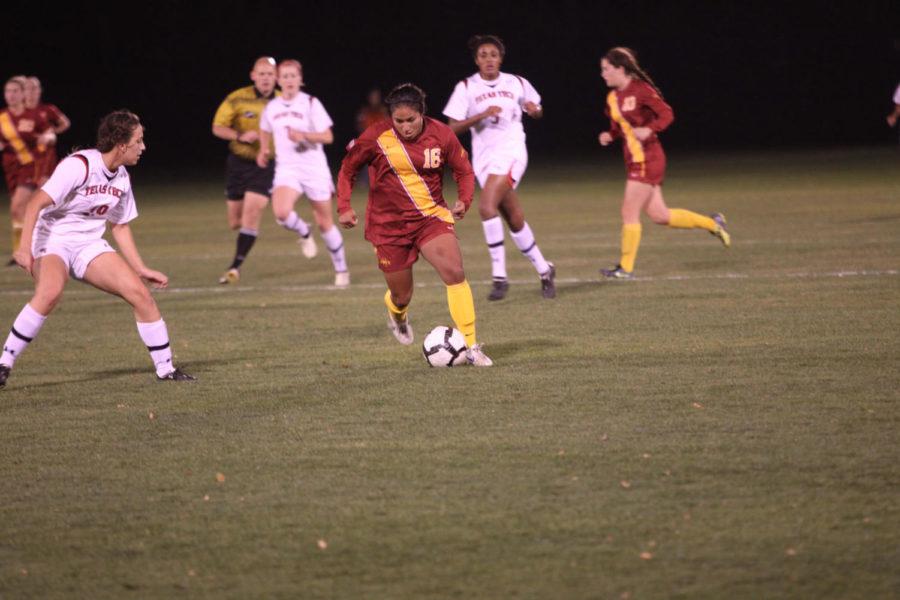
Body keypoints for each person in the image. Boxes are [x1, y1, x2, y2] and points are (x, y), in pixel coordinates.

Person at [0, 110, 194, 387]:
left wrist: (141, 269)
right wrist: (22, 248)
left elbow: (120, 226)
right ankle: (4, 363)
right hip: (52, 239)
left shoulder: (122, 177)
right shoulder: (78, 165)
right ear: (122, 144)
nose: (144, 147)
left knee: (140, 294)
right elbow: (34, 204)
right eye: (139, 141)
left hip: (88, 245)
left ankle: (166, 369)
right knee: (50, 292)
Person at [337, 83, 492, 366]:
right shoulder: (376, 136)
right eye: (399, 121)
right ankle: (398, 314)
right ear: (391, 118)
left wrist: (464, 200)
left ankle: (471, 346)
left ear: (423, 114)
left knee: (454, 272)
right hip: (388, 227)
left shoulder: (441, 134)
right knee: (401, 294)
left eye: (411, 120)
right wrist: (344, 207)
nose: (406, 127)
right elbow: (348, 169)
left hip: (430, 218)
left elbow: (463, 170)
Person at [597, 47, 730, 279]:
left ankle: (625, 268)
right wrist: (610, 134)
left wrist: (650, 129)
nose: (603, 74)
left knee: (629, 211)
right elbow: (620, 127)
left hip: (649, 159)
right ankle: (713, 223)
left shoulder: (641, 90)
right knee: (660, 216)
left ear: (620, 69)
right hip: (634, 160)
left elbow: (667, 114)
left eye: (607, 69)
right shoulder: (612, 98)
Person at [443, 34, 555, 301]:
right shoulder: (466, 87)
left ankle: (500, 277)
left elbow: (537, 110)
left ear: (501, 58)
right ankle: (544, 269)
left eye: (493, 54)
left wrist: (533, 108)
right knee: (514, 218)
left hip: (512, 152)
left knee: (485, 207)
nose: (489, 59)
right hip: (484, 160)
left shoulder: (516, 82)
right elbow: (451, 128)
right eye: (483, 55)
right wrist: (481, 115)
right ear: (476, 60)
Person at [212, 57, 315, 285]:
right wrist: (239, 136)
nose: (266, 78)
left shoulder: (283, 100)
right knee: (235, 222)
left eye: (270, 74)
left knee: (252, 212)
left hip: (268, 165)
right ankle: (302, 228)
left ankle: (234, 268)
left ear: (276, 78)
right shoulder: (237, 98)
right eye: (262, 73)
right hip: (238, 164)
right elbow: (217, 127)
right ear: (253, 75)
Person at [257, 59, 349, 288]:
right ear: (279, 80)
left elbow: (328, 137)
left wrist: (304, 136)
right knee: (281, 212)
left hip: (314, 169)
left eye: (293, 76)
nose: (289, 80)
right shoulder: (272, 107)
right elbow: (264, 128)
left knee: (325, 222)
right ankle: (303, 230)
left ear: (300, 79)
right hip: (287, 169)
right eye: (284, 76)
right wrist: (263, 149)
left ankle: (341, 270)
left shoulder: (310, 103)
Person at [0, 76, 54, 259]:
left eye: (15, 91)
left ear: (23, 94)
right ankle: (27, 247)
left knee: (18, 206)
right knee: (20, 210)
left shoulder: (34, 115)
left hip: (31, 167)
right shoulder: (3, 118)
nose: (11, 95)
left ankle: (22, 251)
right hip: (11, 169)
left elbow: (50, 135)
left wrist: (47, 138)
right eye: (8, 91)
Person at [24, 76, 71, 186]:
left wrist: (52, 132)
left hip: (44, 155)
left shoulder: (48, 109)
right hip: (24, 155)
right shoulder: (17, 112)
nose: (31, 91)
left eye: (34, 88)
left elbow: (66, 123)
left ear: (39, 90)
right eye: (28, 88)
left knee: (42, 186)